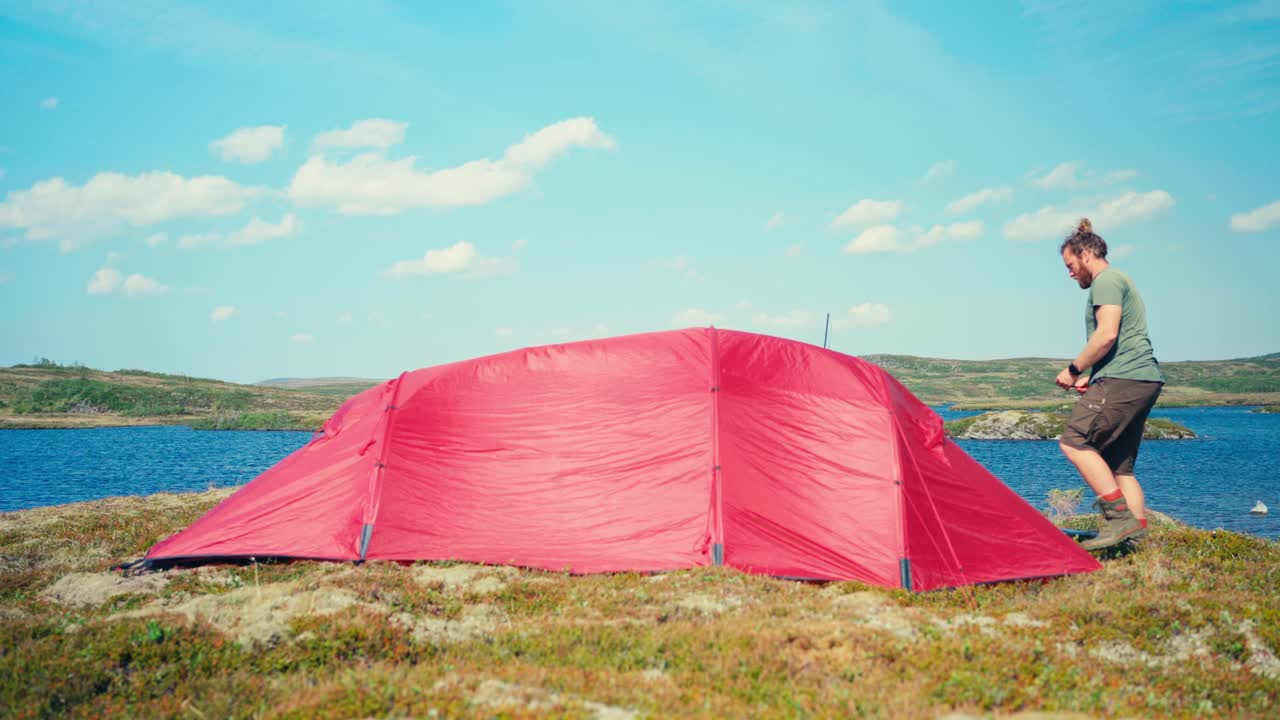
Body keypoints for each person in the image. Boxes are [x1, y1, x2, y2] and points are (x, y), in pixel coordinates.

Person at [1055, 218, 1165, 551]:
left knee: (1074, 443)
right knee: (1120, 467)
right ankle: (1136, 541)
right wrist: (1094, 373)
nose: (1070, 273)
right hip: (1140, 378)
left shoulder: (1106, 280)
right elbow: (1120, 340)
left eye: (1071, 265)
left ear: (1086, 254)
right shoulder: (1120, 280)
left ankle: (1119, 524)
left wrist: (1074, 369)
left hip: (1126, 376)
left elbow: (1107, 333)